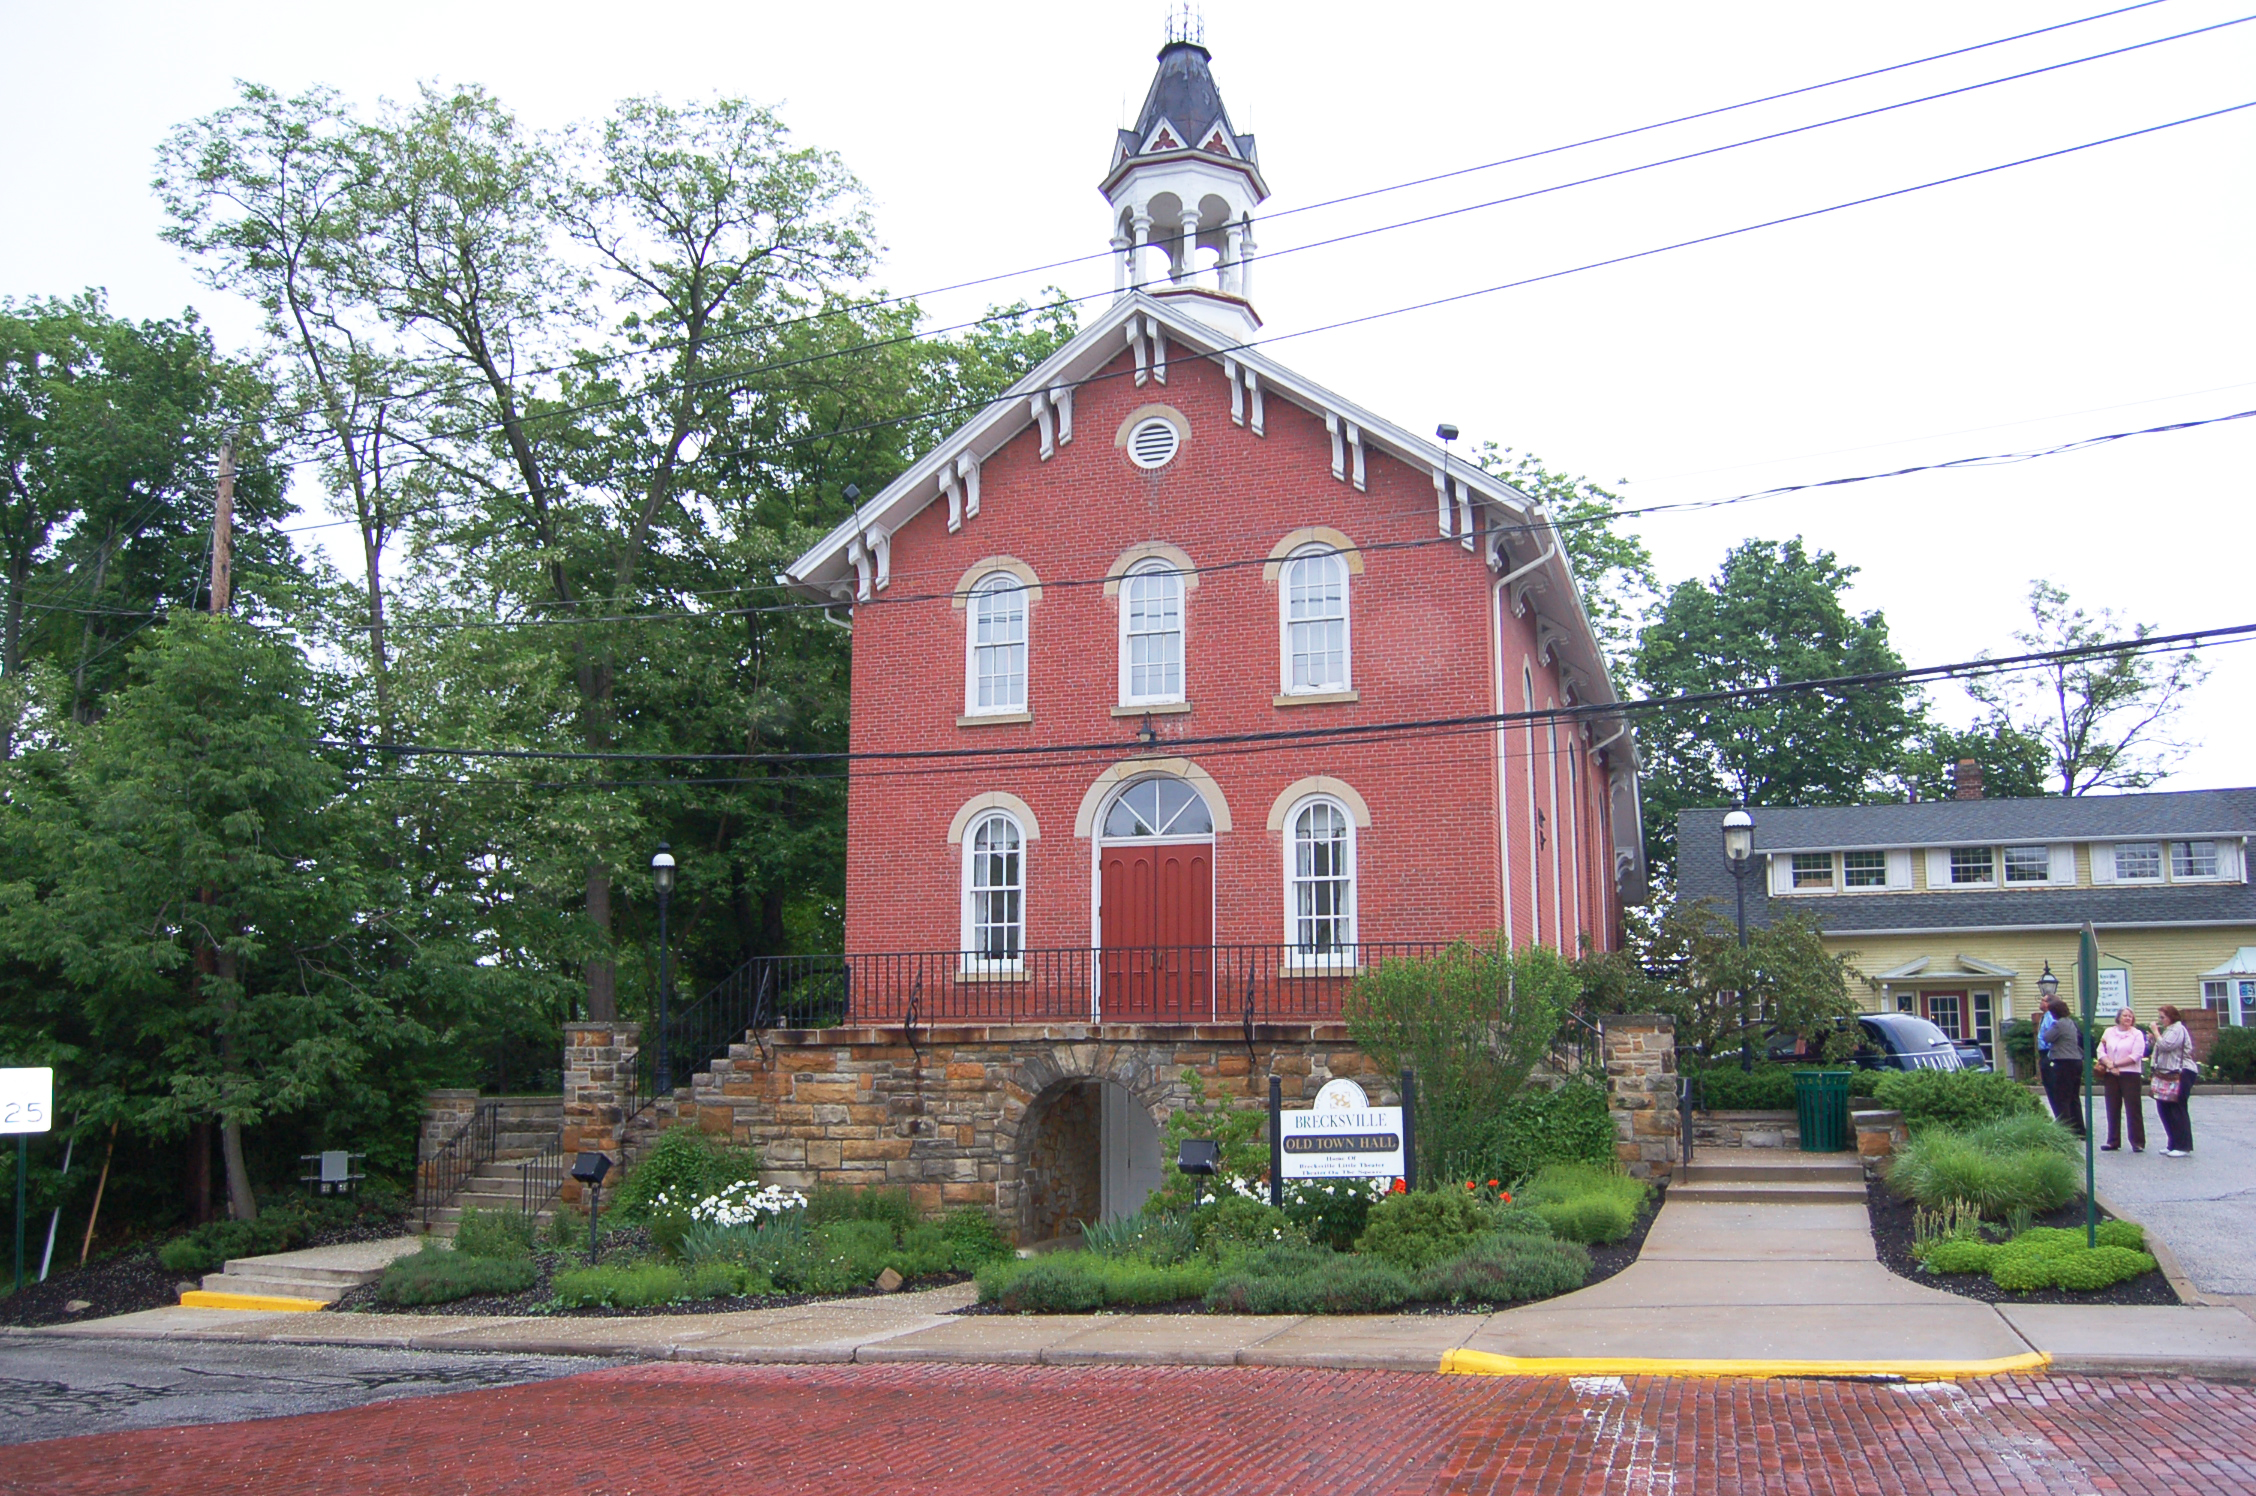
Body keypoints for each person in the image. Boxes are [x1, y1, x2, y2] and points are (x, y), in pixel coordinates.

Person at [2095, 1007, 2149, 1152]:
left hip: (2130, 1074)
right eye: (2125, 1016)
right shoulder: (2108, 1032)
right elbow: (2101, 1050)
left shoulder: (2137, 1034)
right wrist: (2109, 1065)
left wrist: (2116, 1064)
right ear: (2118, 1017)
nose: (2128, 1018)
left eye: (2130, 1016)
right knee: (2112, 1107)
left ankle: (2137, 1142)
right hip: (2111, 1074)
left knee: (2133, 1108)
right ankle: (2113, 1141)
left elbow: (2136, 1055)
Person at [2151, 1004, 2198, 1157]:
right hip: (2166, 1073)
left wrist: (2156, 1033)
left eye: (2163, 1017)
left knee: (2177, 1109)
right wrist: (2154, 1039)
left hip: (2181, 1072)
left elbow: (2166, 1046)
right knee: (2164, 1108)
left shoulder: (2178, 1029)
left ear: (2171, 1017)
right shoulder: (2169, 1030)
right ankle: (2172, 1143)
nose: (2161, 1020)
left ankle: (2183, 1146)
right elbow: (2160, 1048)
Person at [2044, 997, 2087, 1137]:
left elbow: (2047, 1038)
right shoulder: (2071, 1023)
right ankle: (2079, 1129)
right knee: (2074, 1097)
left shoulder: (2058, 1025)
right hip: (2076, 1061)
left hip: (2064, 1062)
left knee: (2062, 1097)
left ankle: (2065, 1130)